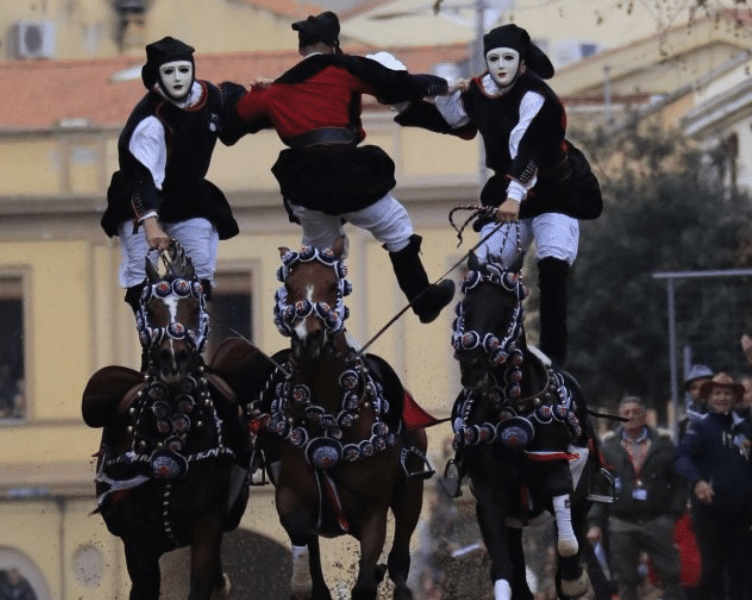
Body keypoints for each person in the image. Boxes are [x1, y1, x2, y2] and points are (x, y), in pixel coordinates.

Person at [395, 23, 602, 364]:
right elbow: (451, 120)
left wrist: (514, 196)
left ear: (523, 63)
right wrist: (406, 106)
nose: (501, 65)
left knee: (552, 267)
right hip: (509, 192)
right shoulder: (478, 91)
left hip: (555, 191)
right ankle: (495, 347)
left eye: (508, 58)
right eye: (494, 58)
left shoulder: (539, 97)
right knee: (485, 270)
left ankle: (553, 357)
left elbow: (529, 147)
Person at [234, 11, 455, 324]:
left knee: (319, 254)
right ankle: (424, 300)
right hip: (346, 173)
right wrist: (442, 86)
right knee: (396, 226)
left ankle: (309, 326)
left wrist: (251, 92)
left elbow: (237, 118)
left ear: (301, 50)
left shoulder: (276, 89)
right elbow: (394, 84)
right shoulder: (343, 67)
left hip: (303, 183)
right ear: (334, 45)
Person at [100, 36, 254, 316]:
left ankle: (194, 339)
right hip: (141, 197)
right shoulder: (149, 120)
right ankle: (150, 339)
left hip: (188, 196)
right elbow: (141, 176)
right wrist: (150, 224)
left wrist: (262, 100)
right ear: (156, 76)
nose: (178, 78)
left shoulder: (210, 96)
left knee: (201, 263)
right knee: (141, 265)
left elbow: (233, 120)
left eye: (183, 70)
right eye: (169, 72)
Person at [586, 396, 688, 600]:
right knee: (625, 578)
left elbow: (680, 482)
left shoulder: (664, 446)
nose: (631, 416)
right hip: (621, 522)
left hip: (658, 520)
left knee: (671, 575)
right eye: (626, 413)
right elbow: (600, 489)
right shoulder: (608, 449)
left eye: (636, 412)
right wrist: (595, 523)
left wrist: (673, 514)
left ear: (644, 416)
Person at [676, 372, 752, 600]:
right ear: (708, 397)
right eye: (717, 393)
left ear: (734, 398)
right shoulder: (700, 427)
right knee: (712, 569)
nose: (722, 398)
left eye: (727, 393)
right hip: (711, 511)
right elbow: (682, 457)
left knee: (743, 570)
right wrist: (698, 481)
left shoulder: (744, 428)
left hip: (743, 512)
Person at [677, 364, 713, 440]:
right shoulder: (684, 425)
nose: (700, 391)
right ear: (689, 391)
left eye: (705, 386)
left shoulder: (729, 417)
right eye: (694, 388)